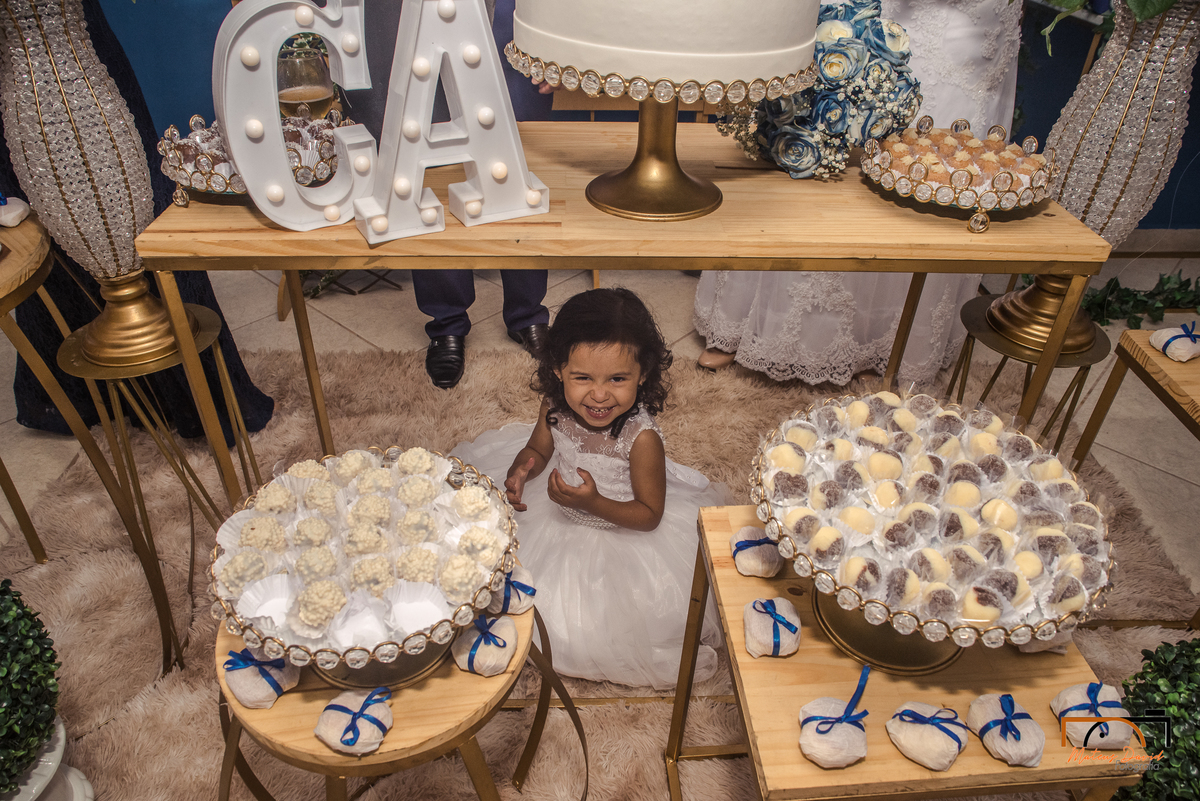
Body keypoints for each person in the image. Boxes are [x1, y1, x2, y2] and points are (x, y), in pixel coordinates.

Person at [693, 0, 1022, 384]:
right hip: (896, 15)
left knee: (936, 171)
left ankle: (880, 340)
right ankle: (747, 322)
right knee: (835, 151)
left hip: (978, 31)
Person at [452, 288, 724, 688]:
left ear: (643, 374)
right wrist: (521, 471)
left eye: (617, 379)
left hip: (622, 528)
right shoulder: (554, 407)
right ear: (558, 370)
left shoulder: (642, 439)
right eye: (582, 378)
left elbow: (649, 515)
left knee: (590, 631)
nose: (599, 394)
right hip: (554, 515)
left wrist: (593, 502)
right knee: (484, 570)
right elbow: (538, 449)